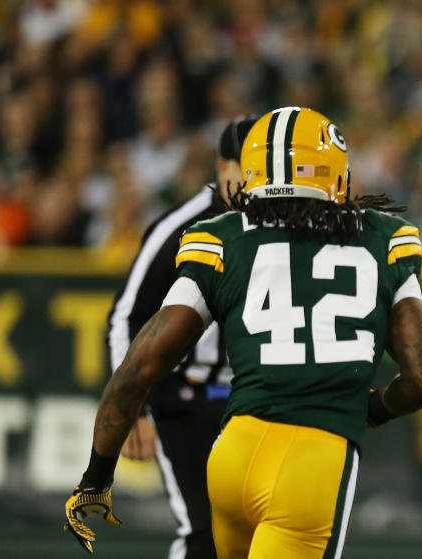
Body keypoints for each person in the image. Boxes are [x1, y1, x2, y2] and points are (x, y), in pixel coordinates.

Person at [65, 106, 422, 558]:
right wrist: (375, 410)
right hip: (313, 462)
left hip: (232, 456)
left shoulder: (223, 235)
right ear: (336, 171)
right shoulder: (382, 236)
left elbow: (138, 366)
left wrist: (96, 476)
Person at [105, 113, 258, 559]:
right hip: (190, 400)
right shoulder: (181, 228)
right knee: (206, 533)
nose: (254, 181)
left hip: (259, 401)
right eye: (245, 168)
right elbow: (126, 316)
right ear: (221, 167)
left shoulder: (286, 220)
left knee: (267, 530)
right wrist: (132, 406)